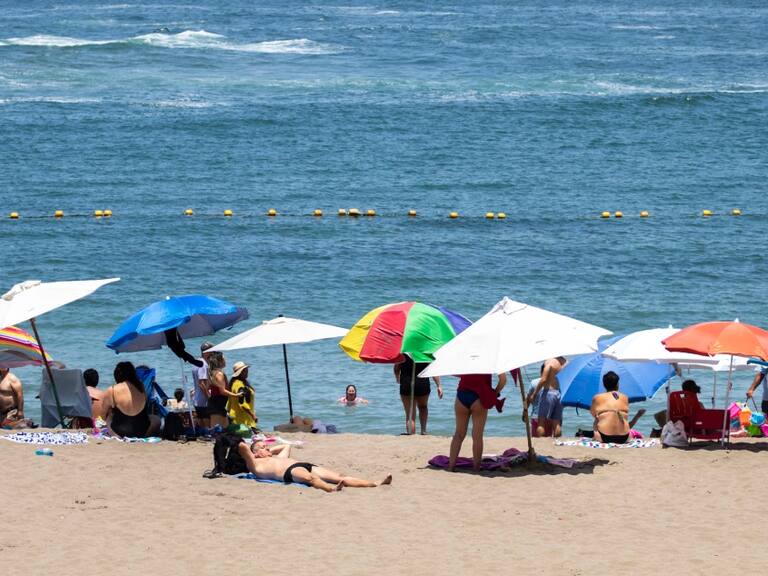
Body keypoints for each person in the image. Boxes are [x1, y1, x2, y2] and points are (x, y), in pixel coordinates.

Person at [238, 440, 392, 492]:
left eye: (267, 446)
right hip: (290, 471)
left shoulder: (277, 456)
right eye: (263, 447)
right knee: (310, 478)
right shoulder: (256, 465)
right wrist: (257, 452)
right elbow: (243, 447)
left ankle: (376, 483)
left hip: (304, 464)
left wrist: (267, 450)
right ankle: (331, 489)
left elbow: (286, 446)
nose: (267, 448)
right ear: (256, 453)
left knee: (340, 476)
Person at [448, 373, 507, 472]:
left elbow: (455, 373)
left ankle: (451, 466)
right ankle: (476, 468)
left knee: (458, 434)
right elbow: (503, 379)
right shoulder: (491, 359)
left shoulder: (466, 357)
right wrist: (495, 392)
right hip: (479, 396)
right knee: (477, 436)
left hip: (462, 394)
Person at [102, 361, 160, 438]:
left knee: (109, 416)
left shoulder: (112, 390)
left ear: (116, 375)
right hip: (142, 431)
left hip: (119, 431)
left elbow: (103, 413)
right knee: (156, 419)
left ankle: (115, 436)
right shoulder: (141, 387)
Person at [393, 356, 443, 435]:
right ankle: (423, 431)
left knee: (410, 413)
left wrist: (397, 378)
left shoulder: (404, 351)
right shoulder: (424, 351)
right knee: (423, 407)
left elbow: (396, 368)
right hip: (422, 383)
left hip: (406, 383)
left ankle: (411, 433)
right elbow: (433, 369)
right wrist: (439, 385)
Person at [526, 356, 566, 437]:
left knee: (541, 422)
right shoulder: (565, 362)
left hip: (548, 392)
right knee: (557, 423)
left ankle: (542, 443)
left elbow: (544, 379)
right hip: (560, 393)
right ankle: (557, 441)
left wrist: (534, 394)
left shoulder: (550, 361)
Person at [591, 371, 630, 444]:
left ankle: (596, 435)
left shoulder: (597, 397)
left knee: (597, 418)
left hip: (605, 437)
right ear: (617, 384)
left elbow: (593, 413)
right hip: (624, 437)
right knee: (622, 416)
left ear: (604, 384)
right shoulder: (625, 397)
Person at [207, 351, 240, 429]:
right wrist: (236, 395)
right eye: (224, 359)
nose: (226, 361)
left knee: (223, 429)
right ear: (220, 361)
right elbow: (223, 391)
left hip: (217, 403)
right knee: (216, 430)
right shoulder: (219, 374)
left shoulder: (213, 372)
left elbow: (208, 387)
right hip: (217, 403)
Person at [227, 361, 257, 434]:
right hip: (241, 419)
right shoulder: (240, 385)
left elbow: (229, 402)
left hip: (235, 418)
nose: (247, 372)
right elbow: (242, 403)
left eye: (246, 370)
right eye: (244, 370)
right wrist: (253, 415)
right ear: (240, 373)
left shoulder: (234, 383)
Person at [193, 341, 215, 429]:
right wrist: (209, 397)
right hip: (203, 400)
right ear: (207, 352)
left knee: (201, 422)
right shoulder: (203, 365)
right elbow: (202, 383)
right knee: (206, 424)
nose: (213, 353)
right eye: (212, 351)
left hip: (197, 399)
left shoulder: (198, 362)